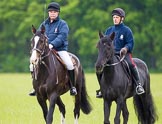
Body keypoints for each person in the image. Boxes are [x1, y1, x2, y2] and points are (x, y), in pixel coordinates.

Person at [29, 2, 77, 96]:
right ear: (48, 13)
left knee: (69, 64)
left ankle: (72, 87)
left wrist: (52, 44)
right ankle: (35, 87)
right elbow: (38, 36)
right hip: (45, 51)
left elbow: (62, 36)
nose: (52, 13)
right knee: (32, 65)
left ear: (58, 13)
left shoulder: (62, 24)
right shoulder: (44, 24)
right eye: (51, 11)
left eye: (55, 12)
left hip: (60, 49)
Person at [96, 8, 145, 98]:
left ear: (122, 18)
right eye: (114, 17)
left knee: (131, 64)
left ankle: (138, 85)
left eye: (117, 17)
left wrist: (125, 48)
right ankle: (102, 89)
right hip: (111, 55)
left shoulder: (127, 30)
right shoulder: (109, 30)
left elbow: (130, 43)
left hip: (124, 54)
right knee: (100, 67)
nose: (115, 19)